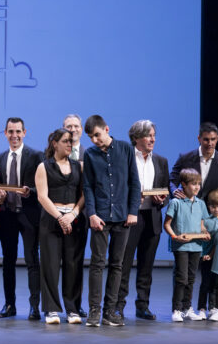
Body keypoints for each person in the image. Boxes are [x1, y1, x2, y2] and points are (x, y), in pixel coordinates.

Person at [82, 115, 140, 327]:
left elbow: (134, 182)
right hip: (100, 218)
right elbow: (87, 186)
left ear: (106, 129)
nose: (95, 140)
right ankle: (94, 311)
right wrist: (91, 213)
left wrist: (133, 211)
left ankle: (110, 311)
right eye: (91, 137)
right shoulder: (90, 154)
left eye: (97, 135)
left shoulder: (125, 149)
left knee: (117, 264)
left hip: (123, 217)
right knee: (97, 264)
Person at [116, 120, 169, 321]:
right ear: (136, 137)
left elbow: (166, 191)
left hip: (152, 217)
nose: (152, 139)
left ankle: (142, 306)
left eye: (154, 135)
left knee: (146, 266)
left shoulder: (161, 161)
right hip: (130, 217)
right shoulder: (125, 157)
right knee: (124, 264)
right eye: (148, 135)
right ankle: (118, 306)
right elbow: (118, 186)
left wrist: (162, 199)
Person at [0, 117, 44, 320]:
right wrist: (0, 196)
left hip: (29, 215)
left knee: (32, 261)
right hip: (8, 216)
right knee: (8, 262)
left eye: (18, 132)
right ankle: (9, 305)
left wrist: (29, 191)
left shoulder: (36, 155)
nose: (14, 135)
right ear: (5, 133)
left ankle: (34, 307)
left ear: (24, 132)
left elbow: (42, 186)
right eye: (11, 131)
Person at [35, 129, 85, 324]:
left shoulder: (78, 167)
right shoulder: (44, 167)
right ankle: (51, 309)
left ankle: (72, 309)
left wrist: (72, 215)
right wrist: (59, 217)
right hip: (51, 220)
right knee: (50, 265)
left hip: (74, 220)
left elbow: (83, 194)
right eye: (65, 141)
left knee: (73, 265)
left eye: (71, 142)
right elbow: (42, 196)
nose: (69, 145)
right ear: (54, 143)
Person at [165, 168, 210, 322]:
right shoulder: (175, 202)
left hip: (196, 246)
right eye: (193, 184)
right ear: (183, 184)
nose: (196, 187)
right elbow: (167, 224)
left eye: (198, 184)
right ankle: (177, 309)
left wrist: (205, 233)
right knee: (181, 278)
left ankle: (187, 308)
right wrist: (174, 236)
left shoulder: (201, 203)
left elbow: (202, 225)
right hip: (181, 247)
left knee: (191, 279)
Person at [170, 122, 218, 213]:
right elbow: (171, 181)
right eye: (206, 139)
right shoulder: (185, 158)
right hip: (186, 211)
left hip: (211, 214)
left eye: (213, 139)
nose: (210, 143)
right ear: (199, 139)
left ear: (217, 138)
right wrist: (174, 191)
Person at [63, 114, 88, 317]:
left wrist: (75, 211)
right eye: (68, 126)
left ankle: (74, 305)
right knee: (55, 262)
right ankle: (53, 306)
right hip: (58, 216)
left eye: (76, 126)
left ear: (81, 129)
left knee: (76, 262)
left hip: (81, 214)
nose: (73, 129)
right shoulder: (52, 155)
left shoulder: (90, 155)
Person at [200, 189, 218, 319]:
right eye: (213, 206)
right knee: (205, 282)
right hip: (206, 256)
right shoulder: (205, 221)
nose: (216, 209)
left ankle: (215, 307)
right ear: (209, 206)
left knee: (217, 284)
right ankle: (201, 308)